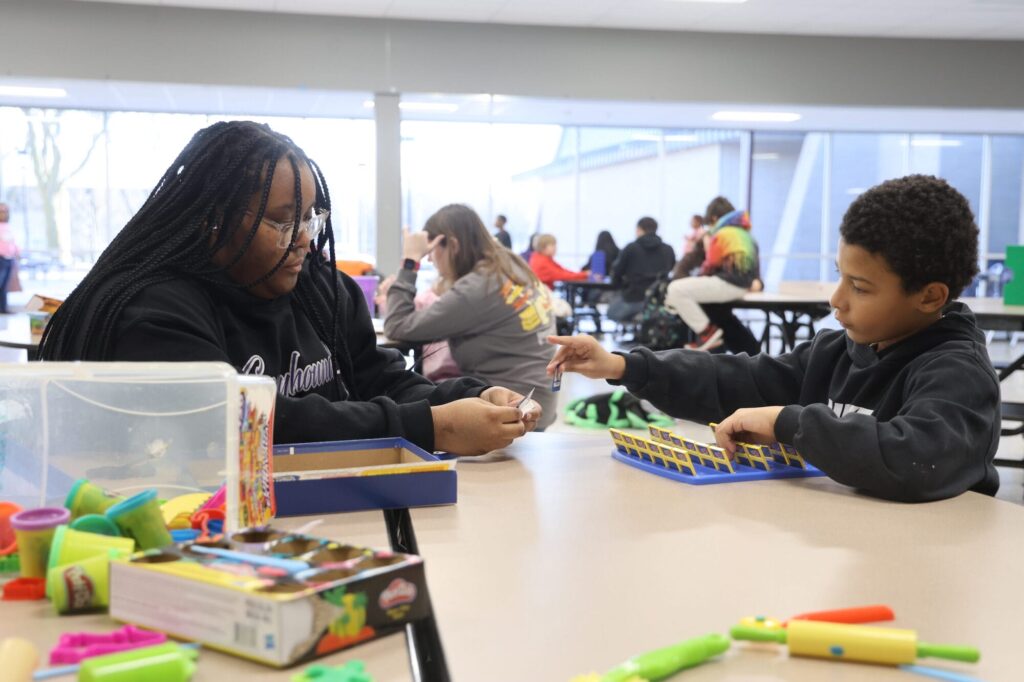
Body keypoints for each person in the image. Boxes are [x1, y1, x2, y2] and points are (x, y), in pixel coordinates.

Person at [40, 121, 539, 456]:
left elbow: (378, 379)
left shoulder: (320, 290)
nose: (303, 239)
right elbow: (243, 425)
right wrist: (436, 426)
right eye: (282, 222)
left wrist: (472, 396)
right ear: (214, 223)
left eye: (309, 217)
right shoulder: (155, 311)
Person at [547, 175, 999, 503]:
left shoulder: (957, 373)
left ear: (929, 296)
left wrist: (789, 423)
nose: (836, 300)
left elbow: (916, 459)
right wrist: (625, 366)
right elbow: (740, 378)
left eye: (860, 288)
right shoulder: (836, 353)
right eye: (840, 277)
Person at [384, 204, 558, 430]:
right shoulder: (507, 265)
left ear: (453, 245)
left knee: (400, 408)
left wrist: (409, 262)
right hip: (538, 397)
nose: (429, 260)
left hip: (512, 405)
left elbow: (397, 327)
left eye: (431, 251)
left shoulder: (478, 287)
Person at [664, 197, 760, 351]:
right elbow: (753, 270)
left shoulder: (721, 234)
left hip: (727, 284)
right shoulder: (747, 236)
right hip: (741, 287)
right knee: (721, 316)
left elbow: (711, 262)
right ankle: (749, 353)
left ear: (714, 218)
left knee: (675, 290)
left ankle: (707, 333)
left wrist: (708, 248)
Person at [608, 217, 675, 323]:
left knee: (611, 312)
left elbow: (616, 272)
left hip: (632, 299)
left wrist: (620, 285)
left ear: (639, 229)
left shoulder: (631, 248)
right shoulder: (668, 250)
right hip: (659, 302)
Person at [0, 202, 21, 314]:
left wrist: (17, 253)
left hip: (9, 260)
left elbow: (13, 243)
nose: (4, 213)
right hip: (0, 259)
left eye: (6, 211)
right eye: (1, 211)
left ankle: (3, 309)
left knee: (4, 287)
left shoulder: (9, 227)